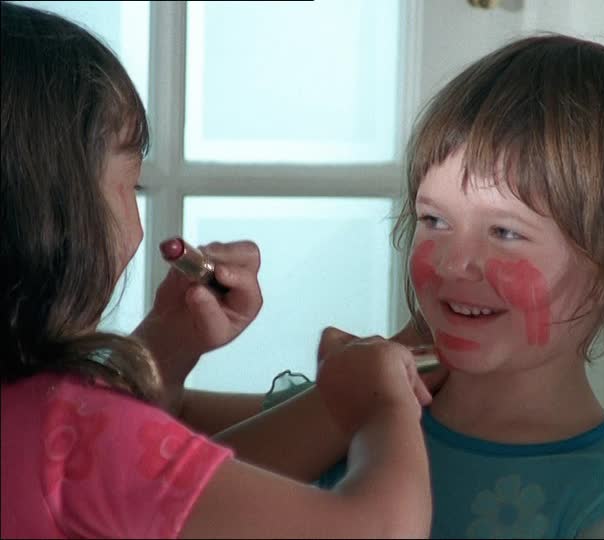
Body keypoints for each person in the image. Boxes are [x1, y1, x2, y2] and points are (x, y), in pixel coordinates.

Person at [0, 3, 434, 538]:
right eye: (131, 184)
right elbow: (380, 532)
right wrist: (383, 405)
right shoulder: (74, 435)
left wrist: (168, 344)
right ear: (53, 206)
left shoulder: (41, 419)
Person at [259, 34, 604, 538]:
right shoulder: (352, 407)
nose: (456, 263)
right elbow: (175, 470)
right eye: (435, 220)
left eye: (505, 232)